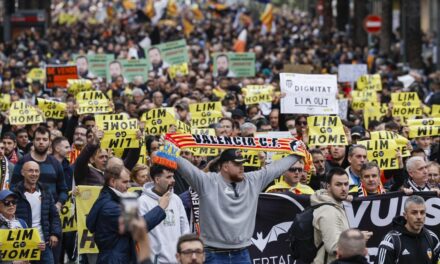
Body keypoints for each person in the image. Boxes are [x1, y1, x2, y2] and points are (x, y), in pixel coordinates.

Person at [173, 146, 304, 263]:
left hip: (242, 254)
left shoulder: (253, 180)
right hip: (212, 254)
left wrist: (298, 153)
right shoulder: (207, 182)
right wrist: (170, 148)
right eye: (237, 164)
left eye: (243, 163)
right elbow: (186, 167)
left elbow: (276, 168)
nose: (242, 167)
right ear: (225, 167)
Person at [137, 164, 189, 263]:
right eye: (168, 177)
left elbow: (185, 229)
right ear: (157, 179)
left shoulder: (176, 199)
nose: (173, 180)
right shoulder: (142, 202)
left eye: (173, 176)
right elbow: (140, 234)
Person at [13, 161, 62, 263]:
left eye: (36, 171)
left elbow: (54, 216)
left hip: (44, 244)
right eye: (30, 170)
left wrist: (55, 234)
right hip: (23, 246)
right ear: (22, 172)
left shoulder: (45, 192)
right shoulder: (15, 194)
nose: (34, 174)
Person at [86, 165, 136, 264]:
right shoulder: (110, 207)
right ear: (113, 182)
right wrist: (160, 208)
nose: (129, 186)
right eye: (125, 182)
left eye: (129, 181)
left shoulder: (113, 199)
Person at [11, 126, 68, 208]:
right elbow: (13, 187)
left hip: (50, 212)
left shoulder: (56, 163)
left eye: (44, 139)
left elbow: (63, 189)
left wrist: (58, 204)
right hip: (27, 211)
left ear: (49, 142)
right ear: (33, 141)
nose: (41, 142)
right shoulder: (23, 161)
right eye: (38, 139)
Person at [375, 195, 440, 264]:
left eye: (422, 212)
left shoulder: (432, 238)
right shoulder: (391, 240)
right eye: (414, 212)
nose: (419, 217)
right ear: (405, 215)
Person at [310, 168, 351, 264]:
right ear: (328, 187)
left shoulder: (335, 205)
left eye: (346, 184)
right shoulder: (329, 211)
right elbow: (334, 247)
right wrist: (358, 240)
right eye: (338, 185)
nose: (344, 188)